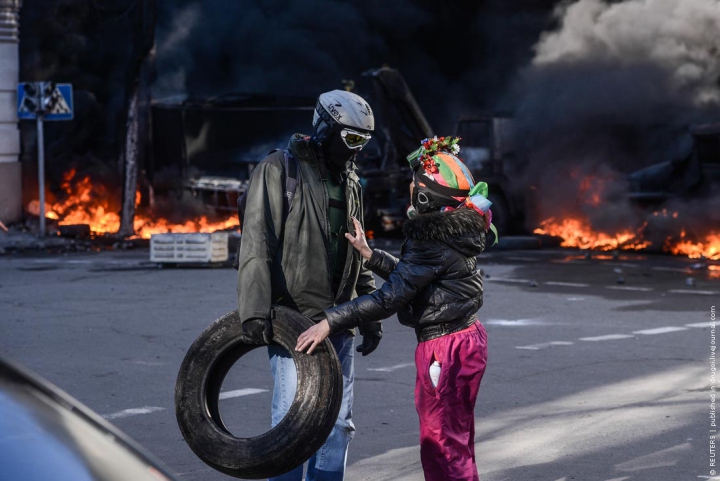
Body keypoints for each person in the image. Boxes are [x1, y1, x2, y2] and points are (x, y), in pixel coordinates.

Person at [296, 136, 492, 481]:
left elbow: (390, 297)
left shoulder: (429, 240)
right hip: (468, 338)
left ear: (425, 196)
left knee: (441, 441)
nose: (409, 189)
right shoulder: (458, 230)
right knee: (458, 435)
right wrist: (371, 256)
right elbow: (416, 275)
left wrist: (330, 321)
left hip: (443, 349)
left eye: (414, 185)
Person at [236, 89, 383, 481]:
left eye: (363, 142)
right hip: (295, 323)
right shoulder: (278, 169)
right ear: (326, 129)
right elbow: (256, 242)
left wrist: (369, 313)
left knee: (338, 426)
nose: (356, 150)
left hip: (339, 323)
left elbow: (358, 250)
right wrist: (254, 311)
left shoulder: (351, 180)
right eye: (351, 139)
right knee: (292, 423)